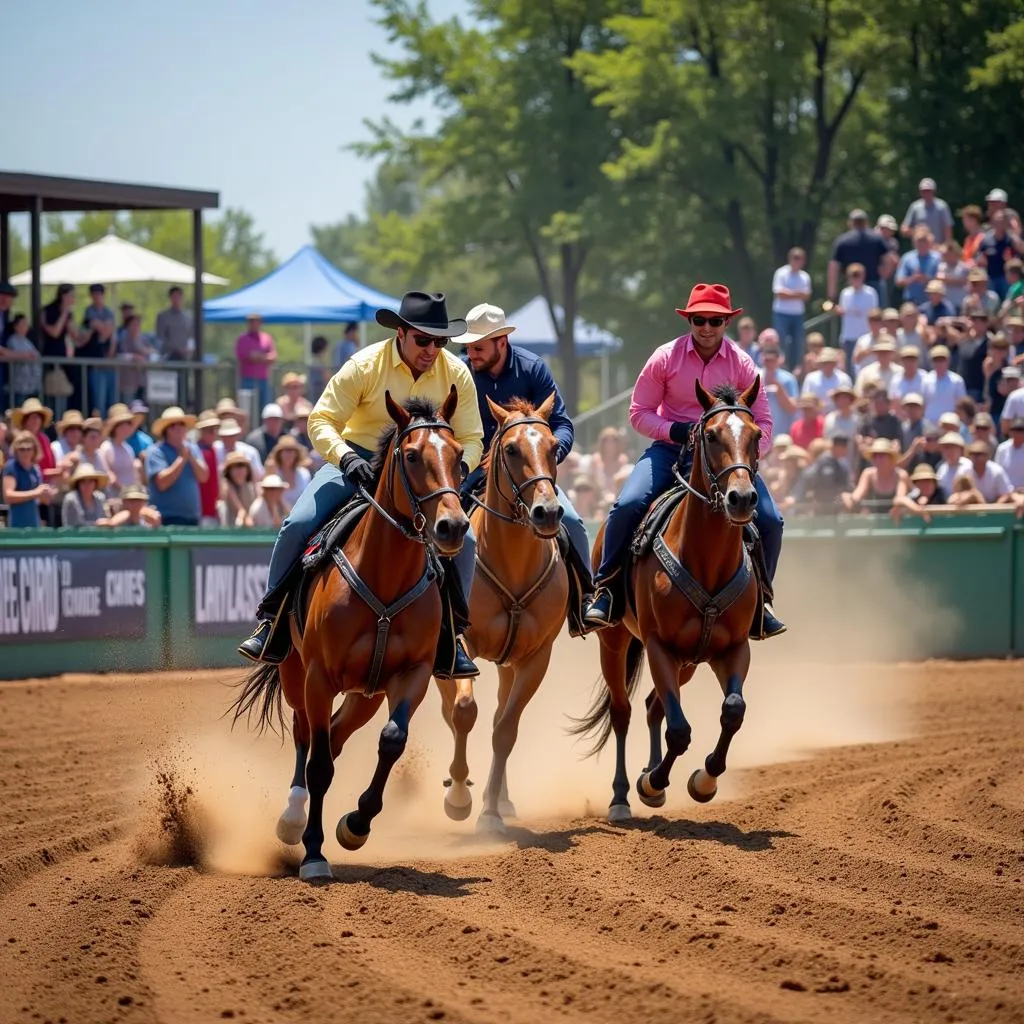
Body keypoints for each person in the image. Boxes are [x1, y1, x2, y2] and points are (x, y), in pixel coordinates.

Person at [237, 290, 485, 678]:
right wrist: (346, 458)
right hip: (355, 461)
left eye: (440, 341)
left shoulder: (456, 372)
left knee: (465, 541)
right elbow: (319, 421)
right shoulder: (364, 364)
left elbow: (472, 437)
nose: (432, 349)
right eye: (423, 339)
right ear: (400, 333)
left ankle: (452, 637)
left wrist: (457, 470)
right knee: (298, 524)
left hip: (422, 475)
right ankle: (270, 622)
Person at [582, 283, 785, 637]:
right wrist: (677, 431)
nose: (707, 327)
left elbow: (763, 422)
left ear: (727, 322)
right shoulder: (664, 357)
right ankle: (606, 591)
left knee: (771, 520)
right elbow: (638, 412)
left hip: (726, 458)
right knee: (627, 505)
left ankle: (762, 602)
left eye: (715, 320)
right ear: (689, 320)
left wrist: (746, 452)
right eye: (699, 320)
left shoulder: (743, 363)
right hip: (671, 451)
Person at [455, 302, 596, 631]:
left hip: (529, 475)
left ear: (501, 342)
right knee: (440, 528)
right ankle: (439, 616)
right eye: (468, 347)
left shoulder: (533, 368)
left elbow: (561, 423)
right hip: (472, 470)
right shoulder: (461, 373)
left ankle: (586, 599)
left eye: (478, 347)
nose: (470, 353)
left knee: (573, 523)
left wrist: (546, 457)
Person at [142, 406, 210, 527]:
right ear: (166, 430)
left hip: (192, 517)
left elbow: (204, 476)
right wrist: (182, 459)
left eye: (181, 424)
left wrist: (190, 457)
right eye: (173, 425)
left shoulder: (192, 448)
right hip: (166, 518)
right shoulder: (156, 451)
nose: (178, 428)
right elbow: (162, 483)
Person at [827, 209, 889, 301]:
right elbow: (887, 261)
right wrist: (883, 275)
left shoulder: (842, 241)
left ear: (850, 223)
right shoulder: (877, 239)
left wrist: (831, 292)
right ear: (866, 222)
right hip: (874, 283)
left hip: (851, 284)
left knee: (852, 314)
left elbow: (834, 267)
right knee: (876, 314)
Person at [2, 431, 55, 527]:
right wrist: (36, 492)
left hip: (34, 523)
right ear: (16, 450)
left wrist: (47, 493)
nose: (25, 452)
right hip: (16, 526)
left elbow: (44, 500)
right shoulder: (11, 467)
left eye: (28, 449)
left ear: (34, 450)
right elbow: (8, 496)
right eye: (21, 449)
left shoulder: (35, 469)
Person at [79, 284, 117, 416]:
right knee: (98, 401)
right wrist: (103, 328)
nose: (97, 297)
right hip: (95, 361)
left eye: (99, 294)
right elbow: (100, 329)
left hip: (107, 362)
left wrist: (103, 329)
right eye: (94, 294)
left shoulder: (109, 312)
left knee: (111, 400)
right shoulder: (89, 311)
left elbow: (110, 335)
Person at [771, 247, 812, 370]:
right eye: (795, 258)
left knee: (798, 342)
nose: (797, 261)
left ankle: (797, 367)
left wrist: (789, 293)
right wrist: (798, 294)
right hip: (781, 313)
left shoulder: (805, 276)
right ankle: (780, 366)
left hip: (797, 314)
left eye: (799, 259)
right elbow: (779, 293)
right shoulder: (781, 273)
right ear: (790, 259)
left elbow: (806, 296)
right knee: (781, 340)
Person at [235, 314, 278, 412]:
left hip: (263, 380)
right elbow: (244, 355)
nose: (254, 324)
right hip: (247, 379)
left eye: (257, 321)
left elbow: (273, 356)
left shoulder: (266, 338)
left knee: (264, 407)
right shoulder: (242, 339)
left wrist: (258, 357)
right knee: (246, 409)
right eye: (251, 321)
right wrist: (263, 357)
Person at [900, 178, 954, 243]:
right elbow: (904, 229)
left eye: (929, 191)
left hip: (938, 247)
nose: (926, 193)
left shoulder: (942, 206)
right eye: (924, 191)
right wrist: (918, 232)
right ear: (920, 192)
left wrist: (946, 246)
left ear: (934, 191)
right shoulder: (915, 207)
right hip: (920, 249)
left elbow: (947, 228)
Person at [220, 452, 258, 527]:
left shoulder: (251, 486)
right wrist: (244, 516)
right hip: (230, 530)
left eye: (241, 466)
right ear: (229, 471)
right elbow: (241, 510)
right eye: (234, 467)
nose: (239, 470)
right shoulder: (227, 486)